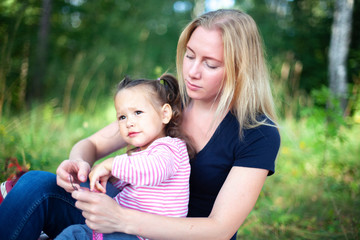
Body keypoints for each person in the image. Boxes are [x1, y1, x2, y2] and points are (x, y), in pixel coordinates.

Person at [0, 9, 280, 240]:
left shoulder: (258, 132)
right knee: (36, 184)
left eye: (210, 64)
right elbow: (92, 145)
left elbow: (220, 229)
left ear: (239, 67)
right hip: (120, 216)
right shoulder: (169, 99)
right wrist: (79, 165)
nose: (192, 72)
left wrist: (122, 219)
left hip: (174, 234)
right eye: (190, 55)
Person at [55, 74, 191, 240]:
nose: (129, 122)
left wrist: (111, 164)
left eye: (138, 112)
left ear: (164, 114)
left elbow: (153, 169)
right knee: (73, 234)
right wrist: (108, 179)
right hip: (123, 230)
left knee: (74, 235)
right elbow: (130, 180)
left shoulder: (170, 148)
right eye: (122, 117)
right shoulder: (141, 154)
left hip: (145, 235)